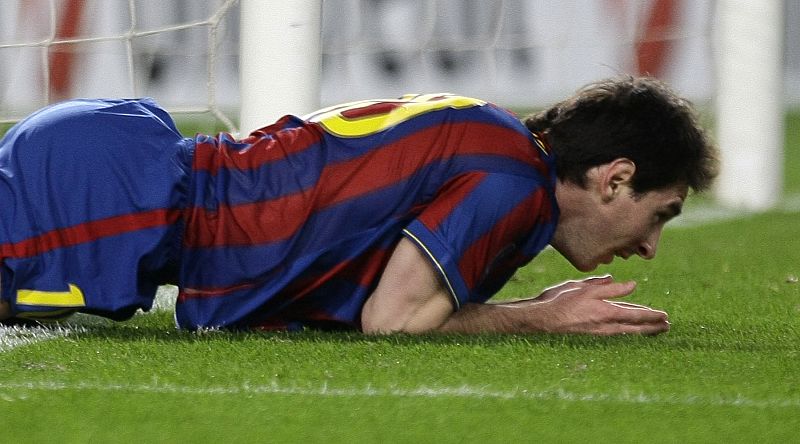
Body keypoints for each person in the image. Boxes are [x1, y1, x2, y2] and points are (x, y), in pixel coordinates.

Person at [0, 76, 717, 335]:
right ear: (615, 178)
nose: (650, 246)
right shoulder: (514, 185)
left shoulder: (499, 142)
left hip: (124, 169)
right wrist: (543, 318)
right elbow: (393, 320)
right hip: (123, 197)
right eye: (662, 212)